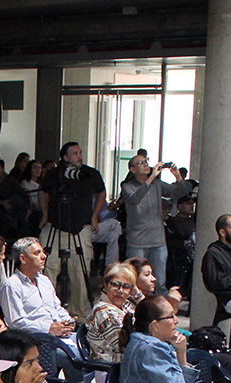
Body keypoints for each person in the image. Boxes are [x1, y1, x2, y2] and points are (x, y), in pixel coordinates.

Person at [38, 142, 106, 318]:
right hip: (56, 226)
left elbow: (101, 192)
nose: (79, 156)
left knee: (79, 273)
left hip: (80, 228)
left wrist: (95, 216)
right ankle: (47, 311)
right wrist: (45, 214)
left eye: (80, 152)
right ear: (65, 158)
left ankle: (79, 314)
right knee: (48, 268)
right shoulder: (55, 174)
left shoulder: (90, 174)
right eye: (75, 153)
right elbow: (42, 191)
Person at [118, 295, 202, 383]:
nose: (176, 321)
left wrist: (181, 352)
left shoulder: (147, 343)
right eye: (171, 316)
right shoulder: (151, 347)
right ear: (155, 325)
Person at [0, 238, 77, 345]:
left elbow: (57, 307)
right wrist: (48, 328)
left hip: (61, 334)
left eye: (43, 252)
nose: (44, 256)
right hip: (37, 340)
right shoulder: (12, 285)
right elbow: (16, 323)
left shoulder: (44, 280)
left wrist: (67, 321)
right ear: (23, 259)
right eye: (37, 253)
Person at [120, 155, 182, 290]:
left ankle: (159, 310)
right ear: (132, 169)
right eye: (140, 163)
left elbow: (179, 192)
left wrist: (178, 177)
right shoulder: (127, 186)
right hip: (137, 242)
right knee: (136, 282)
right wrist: (151, 178)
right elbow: (135, 199)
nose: (145, 164)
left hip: (158, 242)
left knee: (159, 283)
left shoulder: (157, 185)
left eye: (146, 161)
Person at [86, 261, 137, 363]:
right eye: (115, 284)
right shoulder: (103, 311)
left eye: (126, 287)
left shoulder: (126, 304)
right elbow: (125, 346)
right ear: (105, 284)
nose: (120, 290)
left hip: (130, 361)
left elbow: (150, 315)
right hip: (111, 367)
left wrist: (139, 297)